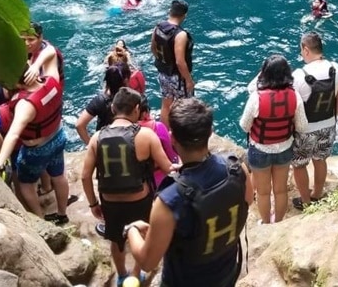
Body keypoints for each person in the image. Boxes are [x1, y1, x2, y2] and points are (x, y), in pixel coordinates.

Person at [126, 98, 253, 287]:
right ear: (210, 132)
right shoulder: (236, 169)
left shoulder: (169, 200)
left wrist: (132, 230)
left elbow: (147, 262)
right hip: (226, 275)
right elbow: (248, 201)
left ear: (172, 138)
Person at [82, 88, 174, 285]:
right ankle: (136, 274)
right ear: (137, 109)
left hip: (110, 202)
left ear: (113, 109)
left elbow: (85, 176)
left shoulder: (97, 137)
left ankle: (122, 275)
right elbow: (168, 168)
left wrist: (93, 204)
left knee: (117, 240)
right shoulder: (146, 135)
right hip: (139, 200)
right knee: (142, 234)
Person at [239, 54, 308, 223]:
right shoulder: (295, 96)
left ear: (264, 74)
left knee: (263, 192)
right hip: (284, 149)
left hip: (259, 150)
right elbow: (302, 126)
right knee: (280, 190)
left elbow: (244, 125)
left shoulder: (256, 97)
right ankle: (278, 222)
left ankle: (266, 222)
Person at [0, 71, 68, 223]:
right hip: (58, 137)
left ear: (16, 82)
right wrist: (36, 66)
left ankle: (40, 220)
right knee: (59, 176)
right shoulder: (51, 80)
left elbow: (13, 134)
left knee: (26, 184)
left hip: (37, 150)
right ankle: (62, 214)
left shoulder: (25, 104)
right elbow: (50, 57)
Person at [290, 32, 338, 210]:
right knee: (320, 160)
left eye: (301, 50)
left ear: (306, 50)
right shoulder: (336, 68)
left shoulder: (299, 75)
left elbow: (294, 107)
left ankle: (306, 201)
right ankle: (317, 194)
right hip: (328, 124)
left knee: (299, 165)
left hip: (305, 129)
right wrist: (333, 118)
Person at [151, 0, 195, 127]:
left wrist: (163, 63)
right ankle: (182, 135)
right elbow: (180, 62)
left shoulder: (158, 27)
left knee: (166, 104)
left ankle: (164, 133)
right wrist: (189, 80)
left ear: (170, 11)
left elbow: (153, 48)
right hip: (178, 77)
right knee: (185, 107)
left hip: (163, 73)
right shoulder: (180, 35)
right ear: (184, 15)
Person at [76, 64, 129, 145]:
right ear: (126, 80)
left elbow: (79, 125)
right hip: (126, 143)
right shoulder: (131, 99)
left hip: (104, 144)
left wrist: (91, 145)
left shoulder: (100, 101)